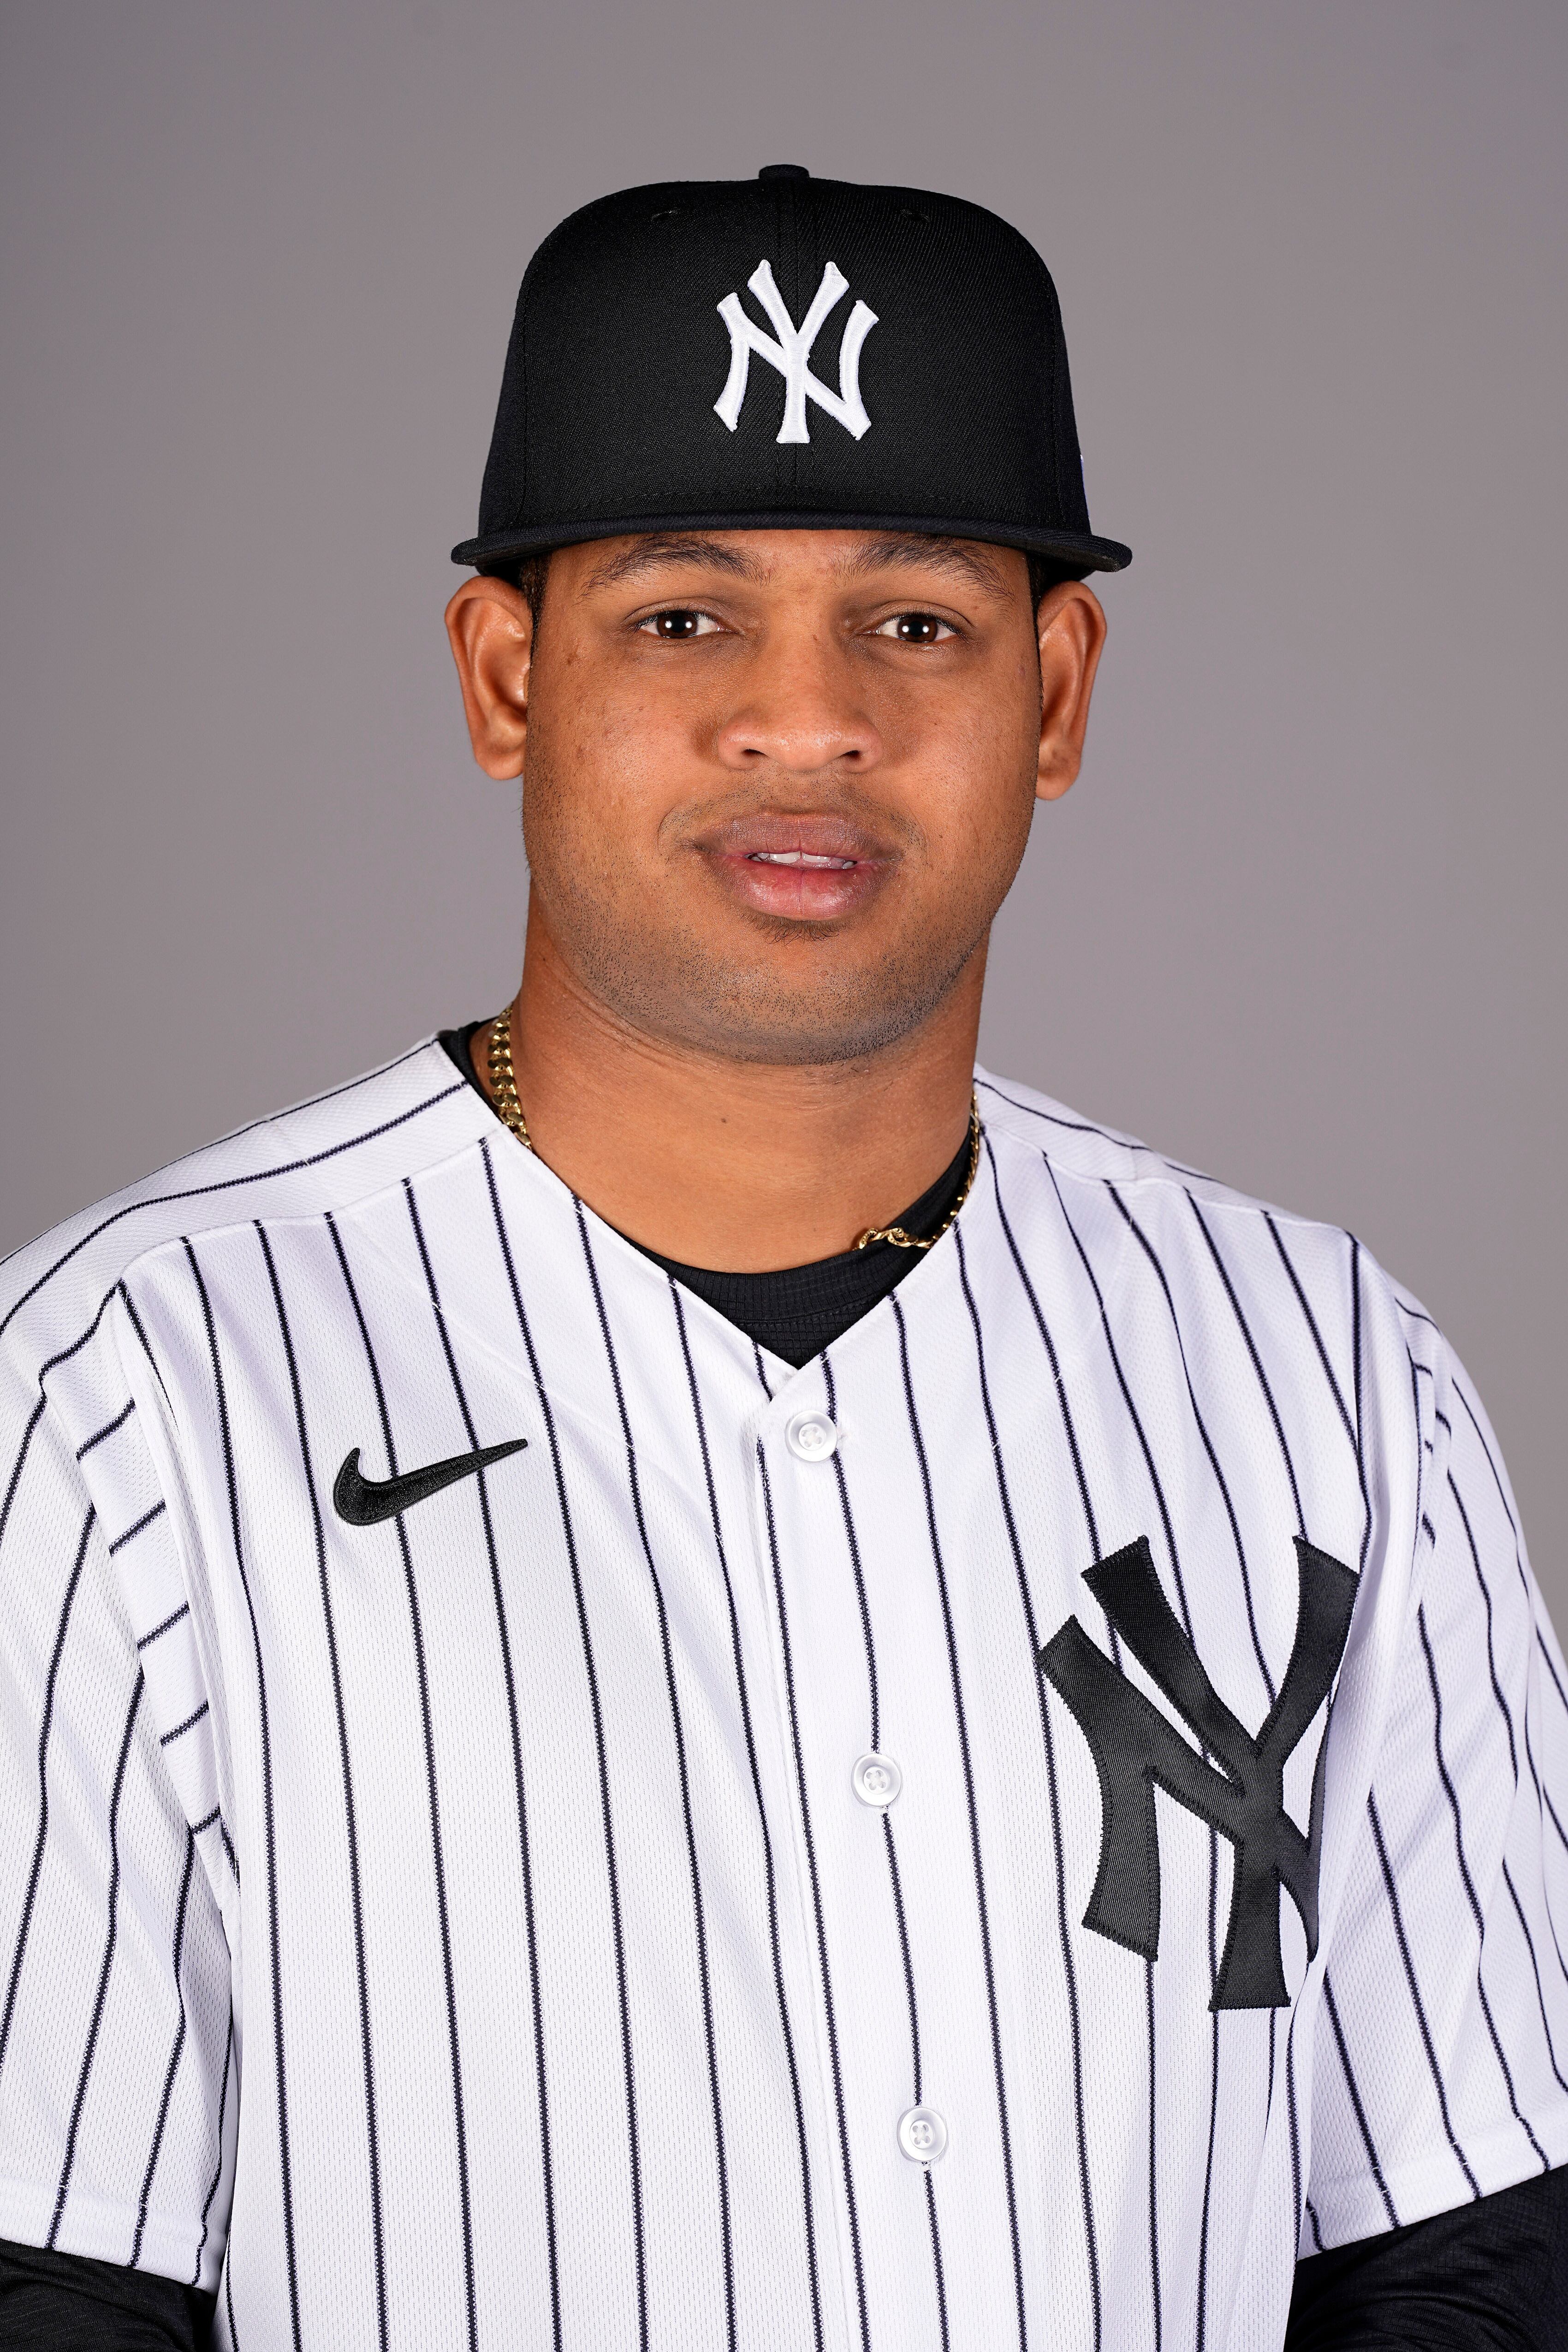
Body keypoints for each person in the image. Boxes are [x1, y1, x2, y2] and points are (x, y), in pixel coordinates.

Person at [0, 165, 1562, 2352]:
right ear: (506, 676)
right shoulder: (125, 1393)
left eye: (913, 622)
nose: (805, 718)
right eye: (682, 617)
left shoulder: (1329, 1378)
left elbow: (1477, 2257)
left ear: (1054, 694)